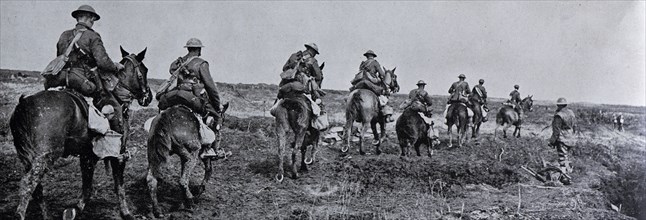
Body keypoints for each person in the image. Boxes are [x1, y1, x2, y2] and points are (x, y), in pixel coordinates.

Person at [43, 5, 125, 146]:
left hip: (59, 78)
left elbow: (60, 57)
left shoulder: (64, 35)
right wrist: (116, 66)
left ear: (77, 18)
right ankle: (115, 147)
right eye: (92, 19)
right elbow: (103, 62)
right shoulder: (93, 36)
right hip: (80, 80)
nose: (93, 22)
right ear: (89, 18)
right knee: (113, 107)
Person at [156, 38, 228, 159]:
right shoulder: (201, 63)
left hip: (174, 96)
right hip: (191, 97)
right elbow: (210, 86)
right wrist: (217, 104)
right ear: (199, 49)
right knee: (216, 115)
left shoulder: (178, 62)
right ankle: (209, 149)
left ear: (188, 48)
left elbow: (171, 70)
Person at [272, 43, 327, 126]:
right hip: (301, 86)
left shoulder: (294, 56)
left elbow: (284, 68)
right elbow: (318, 77)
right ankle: (317, 123)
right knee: (318, 103)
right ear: (313, 51)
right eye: (315, 53)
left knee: (280, 96)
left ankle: (275, 108)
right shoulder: (312, 61)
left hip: (286, 85)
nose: (315, 55)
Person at [350, 50, 394, 122]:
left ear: (367, 56)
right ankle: (387, 115)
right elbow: (382, 74)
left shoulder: (363, 64)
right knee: (383, 94)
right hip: (370, 83)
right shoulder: (375, 63)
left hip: (360, 83)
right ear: (373, 56)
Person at [548, 97, 577, 185]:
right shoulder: (571, 113)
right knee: (566, 157)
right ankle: (567, 174)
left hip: (563, 138)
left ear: (558, 105)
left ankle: (564, 177)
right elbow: (575, 126)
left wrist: (552, 141)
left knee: (562, 158)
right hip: (571, 137)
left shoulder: (559, 115)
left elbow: (556, 131)